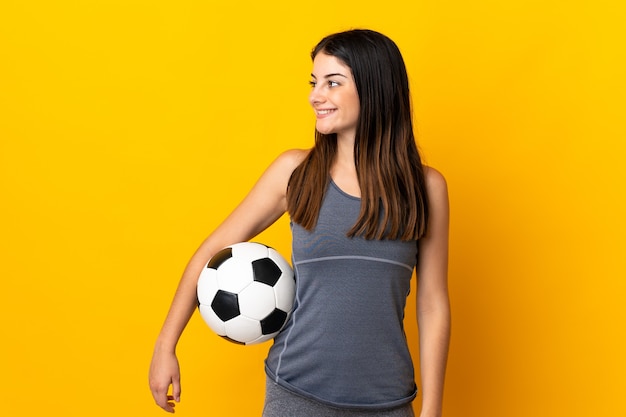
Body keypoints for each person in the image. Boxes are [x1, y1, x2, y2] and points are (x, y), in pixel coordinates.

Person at [149, 29, 450, 417]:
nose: (315, 95)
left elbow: (432, 304)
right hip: (296, 394)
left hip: (388, 402)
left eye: (332, 82)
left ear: (375, 89)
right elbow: (210, 253)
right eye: (314, 83)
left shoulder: (426, 188)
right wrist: (165, 345)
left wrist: (433, 409)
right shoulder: (295, 173)